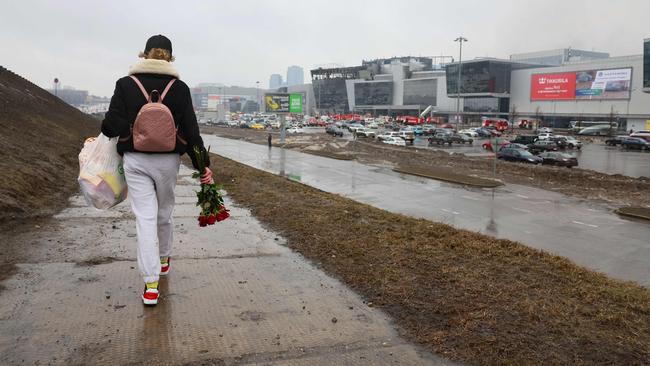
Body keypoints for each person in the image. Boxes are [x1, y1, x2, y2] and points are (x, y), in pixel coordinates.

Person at [101, 35, 212, 306]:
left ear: (145, 54)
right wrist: (203, 166)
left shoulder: (125, 84)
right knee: (164, 214)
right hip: (168, 162)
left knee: (145, 221)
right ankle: (164, 259)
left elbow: (110, 127)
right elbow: (192, 133)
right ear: (170, 57)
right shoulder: (180, 88)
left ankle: (151, 286)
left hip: (136, 162)